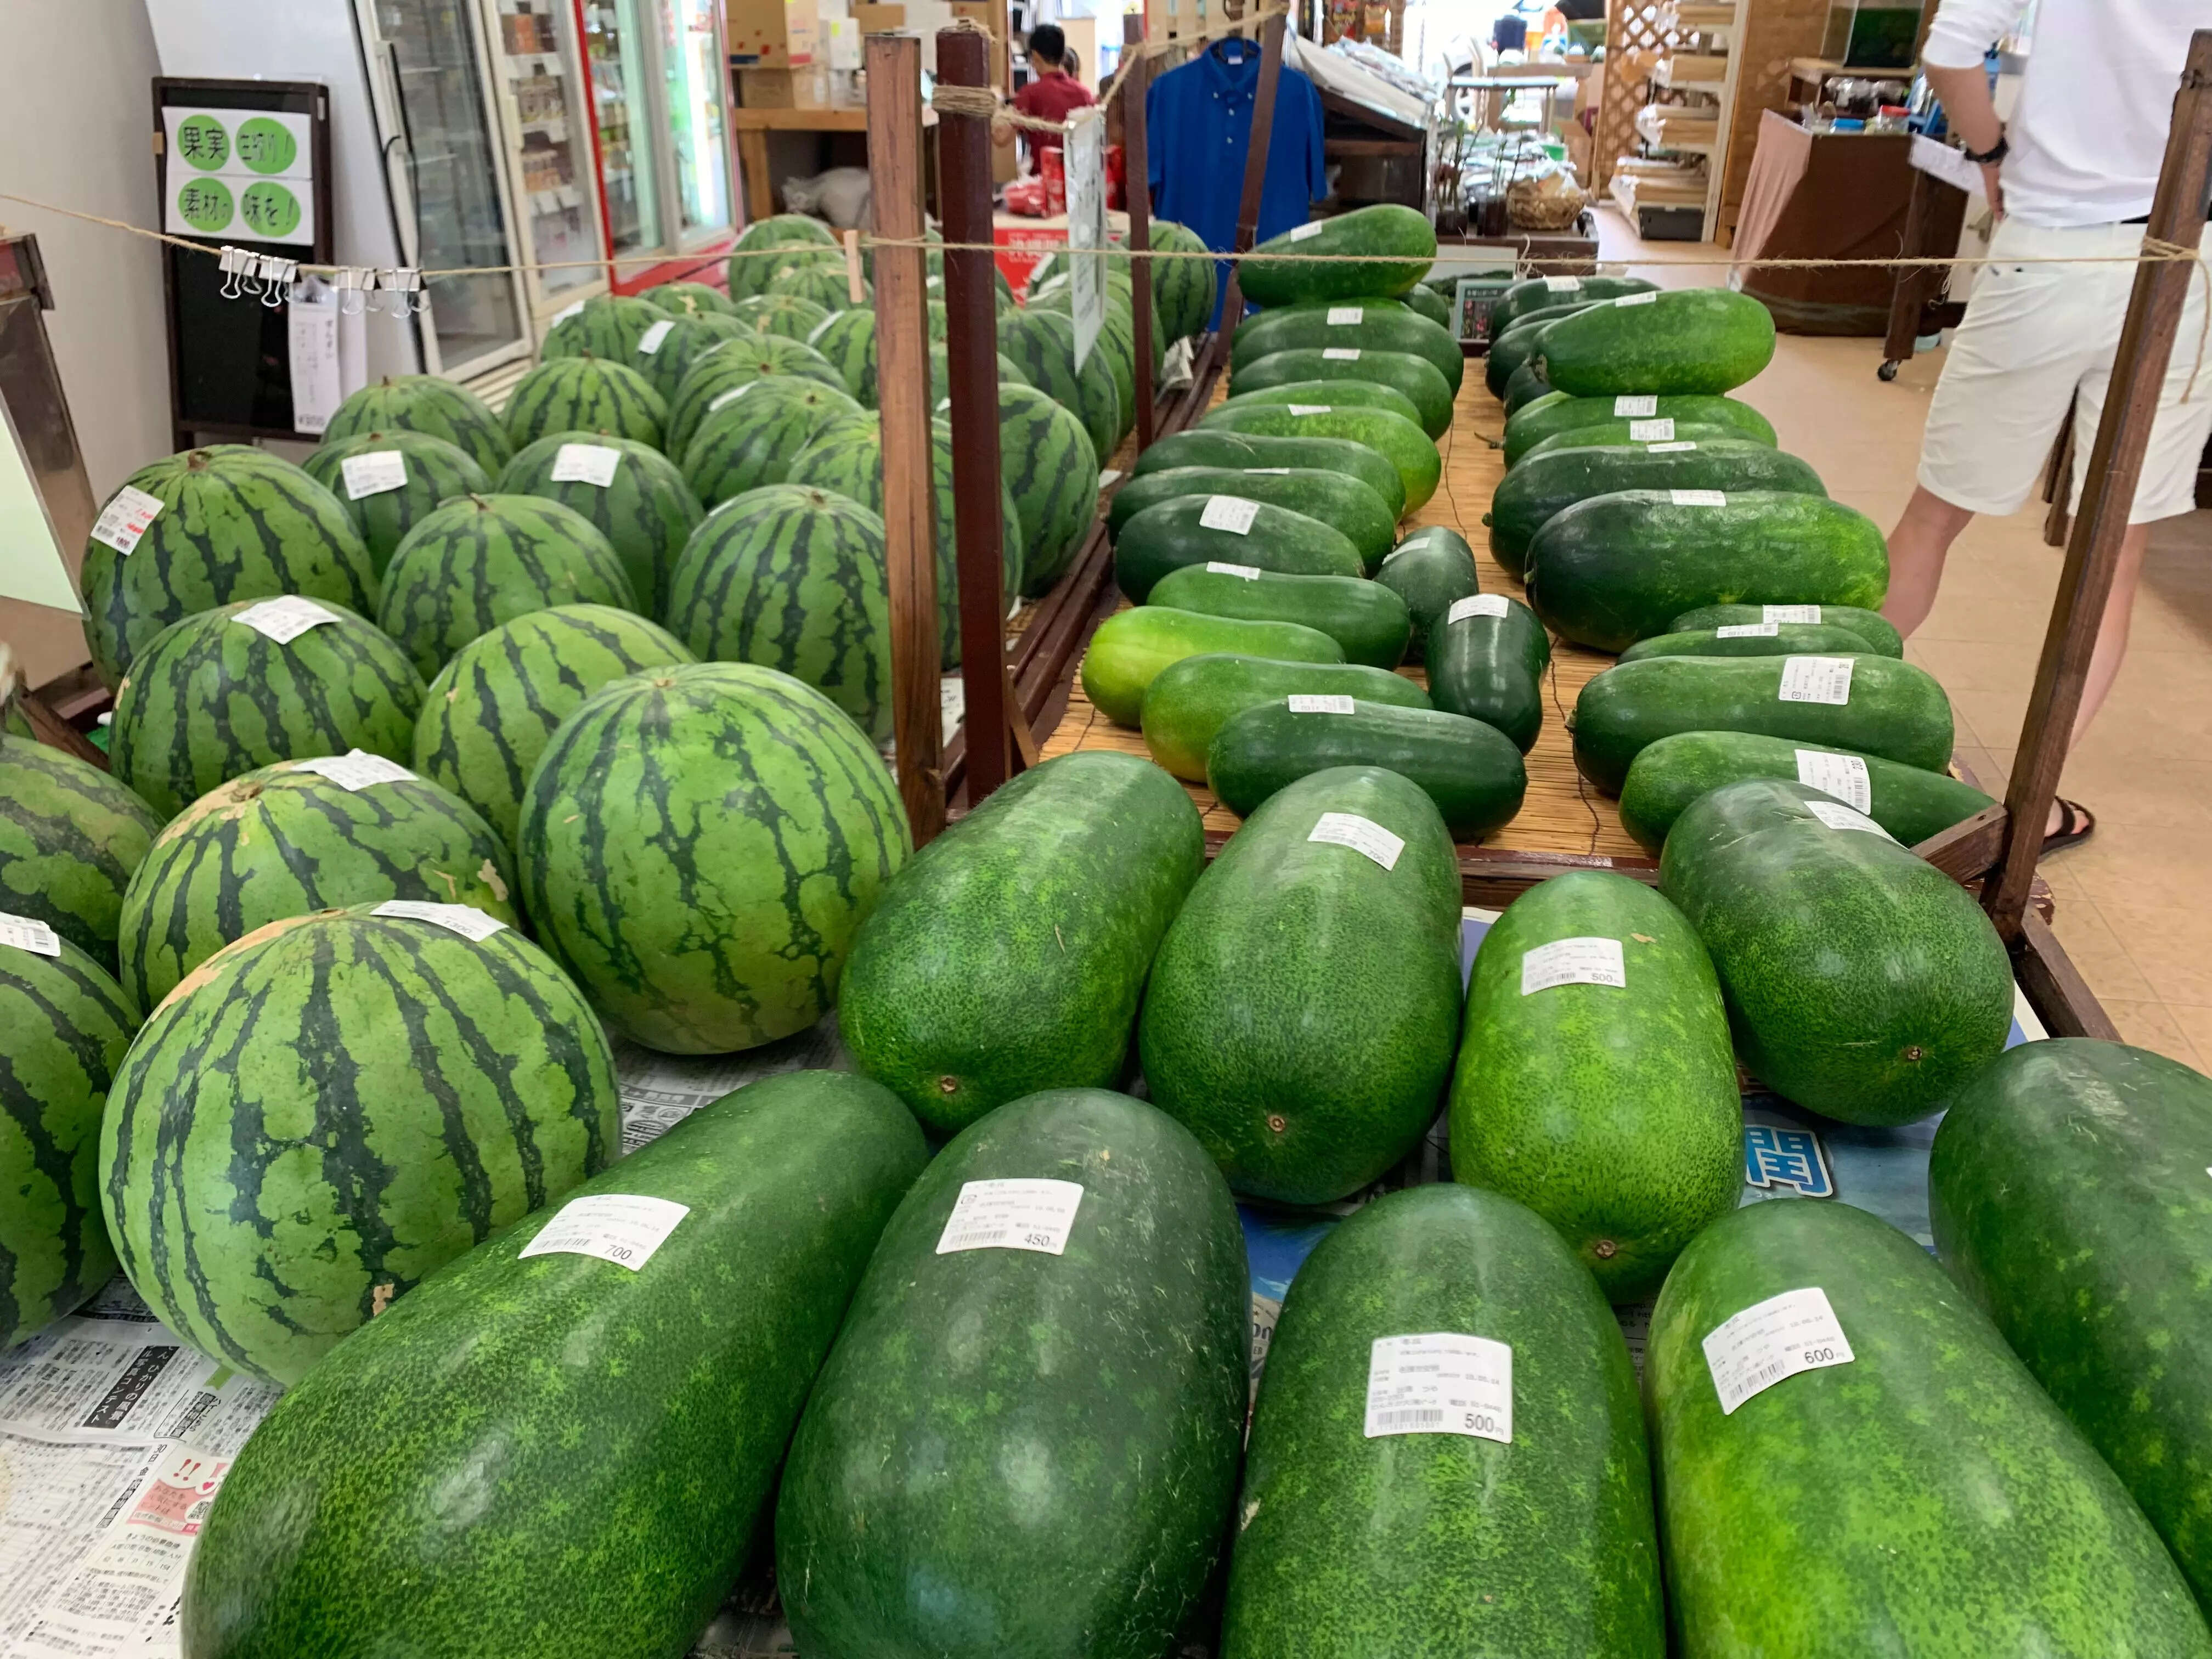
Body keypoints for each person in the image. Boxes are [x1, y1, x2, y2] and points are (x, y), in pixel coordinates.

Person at [1889, 0, 2212, 853]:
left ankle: (1811, 714)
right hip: (2188, 260)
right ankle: (2029, 811)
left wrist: (1993, 153)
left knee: (1935, 514)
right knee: (2116, 550)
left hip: (2051, 245)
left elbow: (1951, 53)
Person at [1007, 24, 1097, 167]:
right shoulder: (1085, 94)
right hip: (1080, 180)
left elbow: (1001, 138)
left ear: (1035, 56)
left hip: (1044, 181)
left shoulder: (1029, 94)